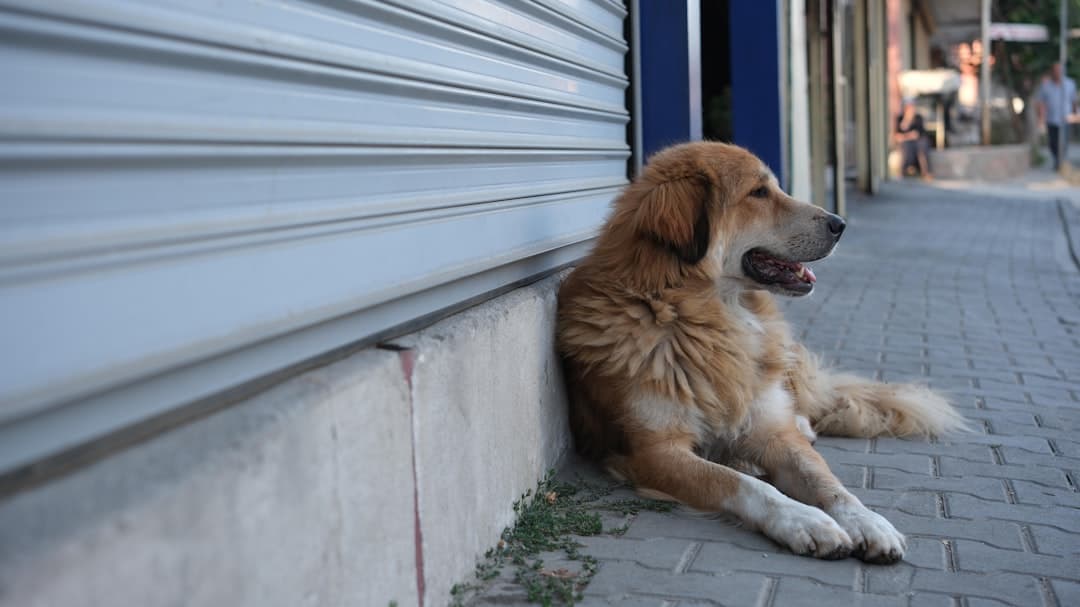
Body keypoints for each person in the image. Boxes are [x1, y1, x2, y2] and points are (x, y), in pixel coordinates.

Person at [1037, 62, 1077, 171]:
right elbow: (1041, 103)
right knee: (1052, 143)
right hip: (1051, 119)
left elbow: (1073, 101)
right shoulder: (1046, 85)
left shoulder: (1070, 84)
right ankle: (1057, 160)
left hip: (1066, 119)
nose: (1057, 73)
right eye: (1055, 70)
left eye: (1059, 70)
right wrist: (1041, 119)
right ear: (1052, 72)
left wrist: (1075, 115)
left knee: (1063, 142)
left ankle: (1060, 163)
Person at [895, 99, 932, 179]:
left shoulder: (918, 118)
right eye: (908, 108)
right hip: (906, 143)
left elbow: (917, 134)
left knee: (921, 147)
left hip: (918, 141)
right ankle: (903, 171)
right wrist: (907, 120)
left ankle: (925, 172)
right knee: (906, 147)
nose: (911, 110)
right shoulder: (900, 118)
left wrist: (904, 136)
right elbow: (897, 136)